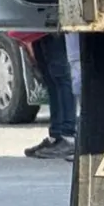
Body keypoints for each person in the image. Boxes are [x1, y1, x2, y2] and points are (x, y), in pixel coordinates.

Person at [24, 32, 77, 160]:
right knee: (48, 74)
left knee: (60, 75)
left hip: (54, 25)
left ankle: (68, 136)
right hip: (41, 25)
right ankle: (56, 134)